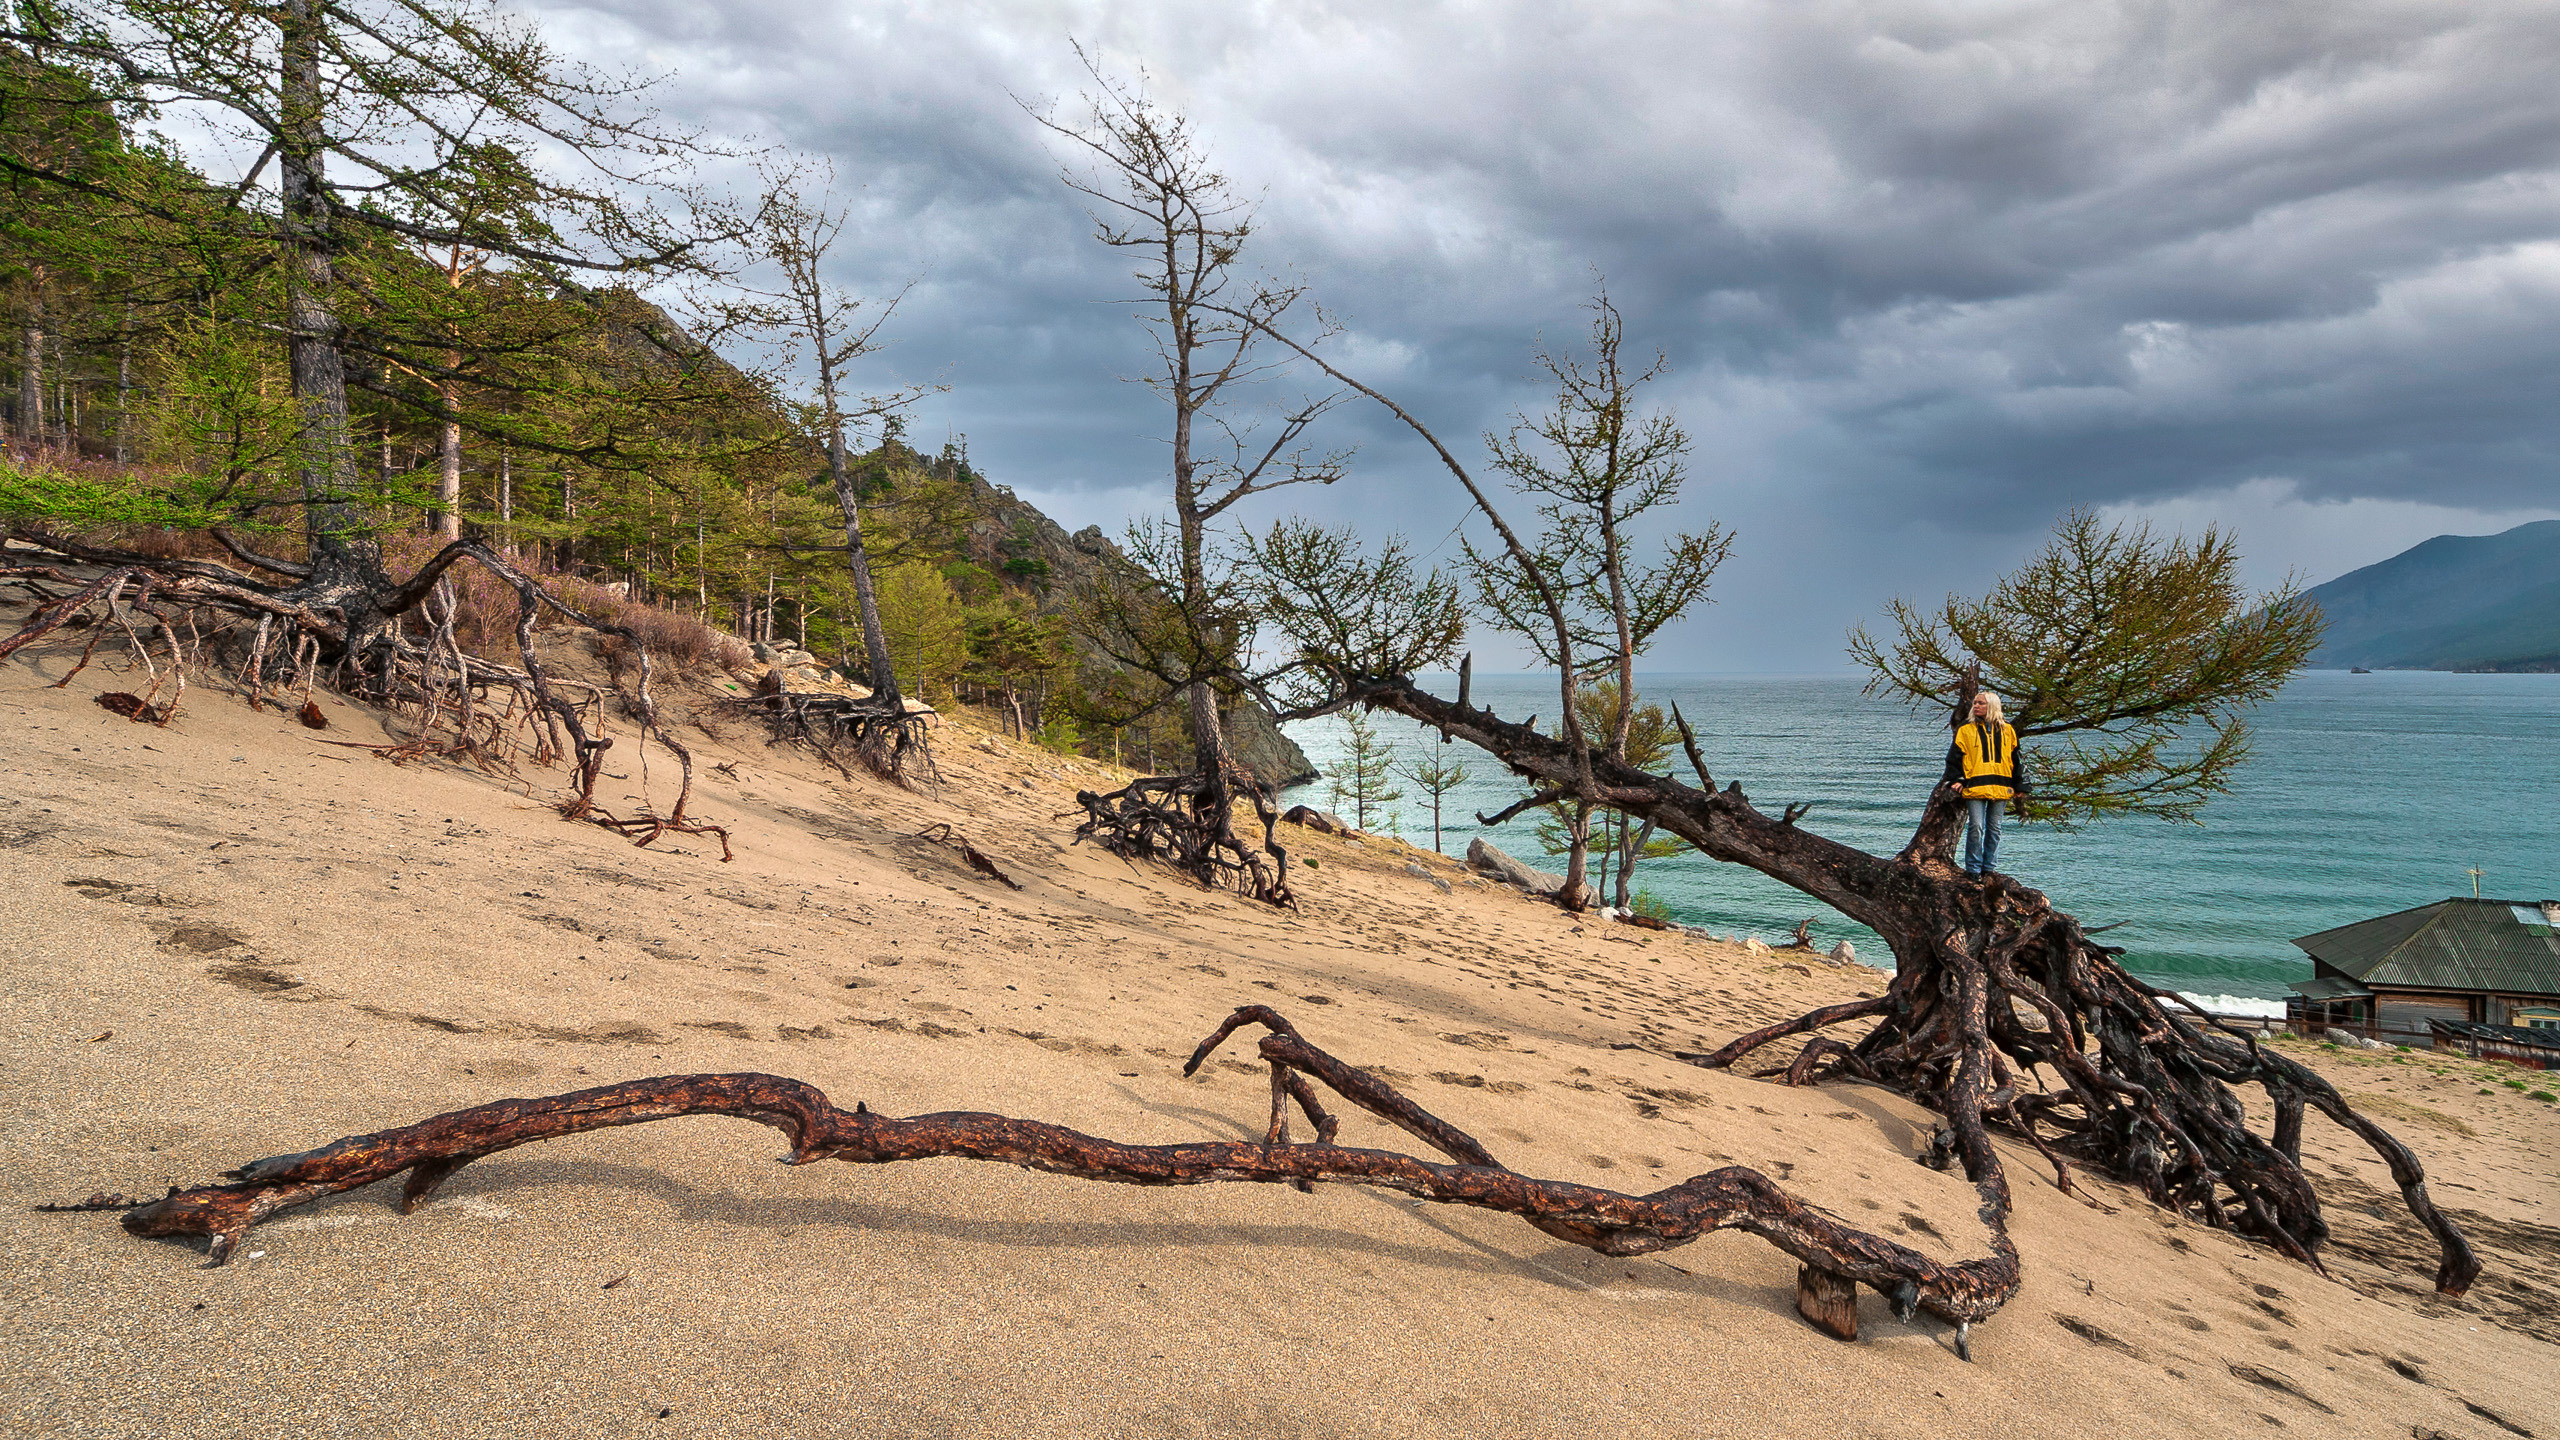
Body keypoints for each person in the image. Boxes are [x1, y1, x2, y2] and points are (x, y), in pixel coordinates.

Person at [1941, 690, 2029, 879]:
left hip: (2001, 785)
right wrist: (1956, 781)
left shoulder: (2008, 730)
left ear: (1992, 706)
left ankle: (1989, 868)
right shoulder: (1966, 729)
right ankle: (1973, 869)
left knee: (1995, 828)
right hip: (1975, 786)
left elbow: (2016, 760)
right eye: (1975, 703)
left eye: (1981, 703)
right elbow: (1954, 758)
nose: (1976, 706)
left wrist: (2020, 786)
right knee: (1976, 827)